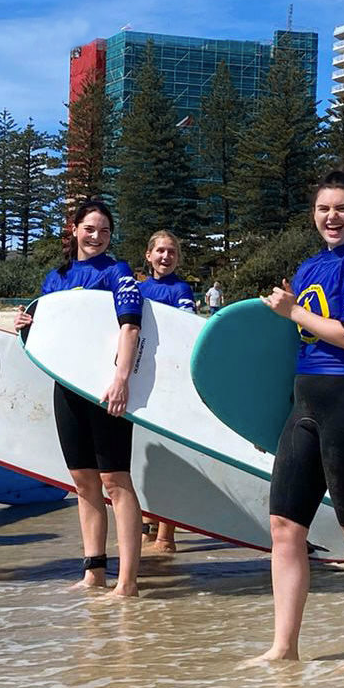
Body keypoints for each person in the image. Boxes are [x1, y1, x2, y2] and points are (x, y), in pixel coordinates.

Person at [251, 168, 344, 669]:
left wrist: (292, 310)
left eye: (341, 208)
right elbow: (300, 331)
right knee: (284, 526)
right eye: (322, 208)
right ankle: (283, 647)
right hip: (305, 402)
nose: (331, 217)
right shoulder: (311, 265)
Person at [15, 200, 144, 597]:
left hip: (105, 388)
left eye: (105, 231)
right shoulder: (56, 278)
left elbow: (131, 328)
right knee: (82, 480)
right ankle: (93, 572)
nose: (97, 237)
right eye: (90, 229)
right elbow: (49, 335)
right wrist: (27, 326)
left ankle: (128, 581)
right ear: (74, 229)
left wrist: (121, 378)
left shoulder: (118, 272)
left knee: (115, 480)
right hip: (67, 388)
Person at [136, 230, 196, 554]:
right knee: (144, 456)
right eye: (160, 251)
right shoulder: (138, 289)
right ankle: (147, 527)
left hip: (169, 381)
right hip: (140, 380)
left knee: (168, 459)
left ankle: (166, 535)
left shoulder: (181, 289)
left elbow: (185, 331)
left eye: (171, 252)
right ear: (148, 255)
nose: (165, 257)